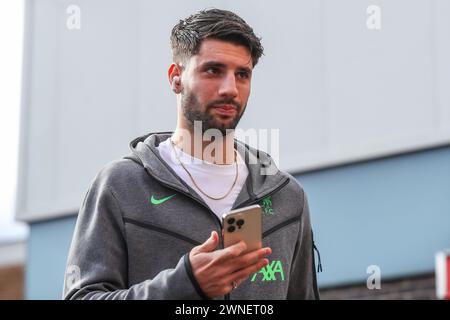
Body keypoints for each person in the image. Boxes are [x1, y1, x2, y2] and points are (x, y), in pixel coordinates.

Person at [63, 8, 320, 300]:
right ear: (176, 77)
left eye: (242, 75)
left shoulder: (288, 197)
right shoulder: (121, 186)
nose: (230, 89)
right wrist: (184, 285)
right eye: (213, 70)